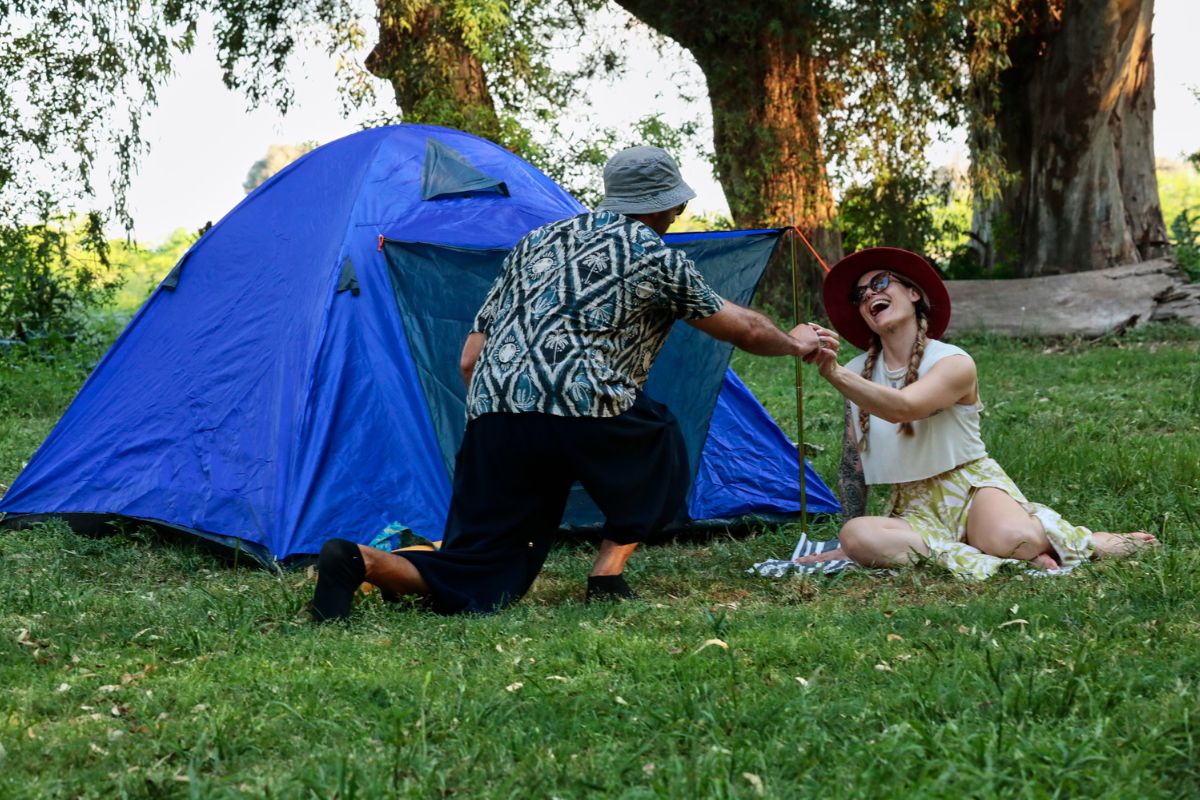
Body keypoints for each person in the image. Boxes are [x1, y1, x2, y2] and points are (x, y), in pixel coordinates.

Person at [310, 145, 840, 620]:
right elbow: (744, 326)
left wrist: (499, 422)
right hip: (583, 403)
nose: (678, 215)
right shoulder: (651, 252)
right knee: (661, 444)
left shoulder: (535, 242)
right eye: (676, 206)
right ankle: (606, 575)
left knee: (480, 571)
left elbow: (471, 357)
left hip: (497, 411)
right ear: (663, 205)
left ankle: (361, 561)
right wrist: (795, 342)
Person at [794, 247, 1157, 578]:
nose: (871, 294)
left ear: (913, 293)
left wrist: (833, 372)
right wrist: (851, 546)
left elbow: (906, 407)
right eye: (861, 295)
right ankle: (982, 556)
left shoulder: (954, 362)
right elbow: (851, 465)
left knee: (1018, 539)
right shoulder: (858, 372)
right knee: (858, 535)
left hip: (971, 487)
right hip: (912, 506)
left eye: (881, 282)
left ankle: (1089, 542)